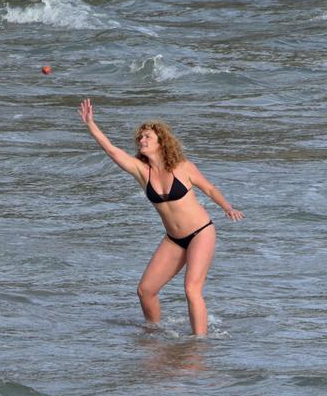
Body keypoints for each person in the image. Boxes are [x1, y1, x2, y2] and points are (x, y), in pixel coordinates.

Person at [78, 100, 242, 337]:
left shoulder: (183, 167)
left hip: (201, 233)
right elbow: (112, 150)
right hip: (174, 239)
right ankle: (153, 333)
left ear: (161, 142)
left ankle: (199, 344)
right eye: (140, 138)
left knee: (191, 289)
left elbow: (210, 189)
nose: (141, 141)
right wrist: (91, 124)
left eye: (147, 137)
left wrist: (227, 207)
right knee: (146, 290)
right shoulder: (141, 172)